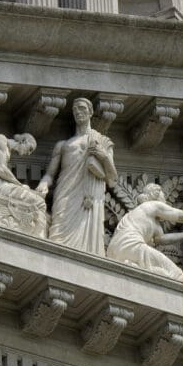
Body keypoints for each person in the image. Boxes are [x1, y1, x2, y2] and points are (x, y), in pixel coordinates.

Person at [36, 98, 118, 255]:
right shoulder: (63, 145)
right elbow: (49, 174)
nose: (78, 112)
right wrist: (43, 184)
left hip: (88, 196)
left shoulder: (102, 142)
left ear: (90, 112)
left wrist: (104, 156)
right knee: (57, 233)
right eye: (75, 110)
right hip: (65, 193)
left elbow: (112, 179)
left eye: (81, 108)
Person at [107, 183, 183, 281]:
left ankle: (138, 271)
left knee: (168, 274)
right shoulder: (152, 205)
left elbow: (161, 239)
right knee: (177, 275)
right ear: (156, 195)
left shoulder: (149, 220)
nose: (165, 200)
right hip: (132, 246)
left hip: (115, 250)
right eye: (163, 195)